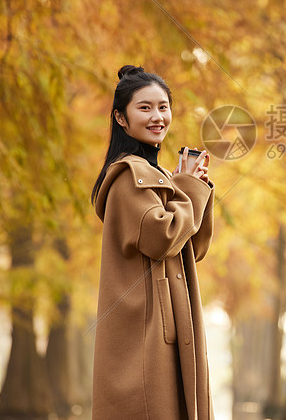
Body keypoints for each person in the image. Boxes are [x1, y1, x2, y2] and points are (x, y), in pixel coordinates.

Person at [91, 65, 215, 419]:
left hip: (165, 329)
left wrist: (193, 187)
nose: (157, 116)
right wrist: (186, 189)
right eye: (144, 108)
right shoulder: (130, 176)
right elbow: (160, 239)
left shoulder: (157, 177)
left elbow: (194, 248)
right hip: (145, 337)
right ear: (121, 117)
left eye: (163, 107)